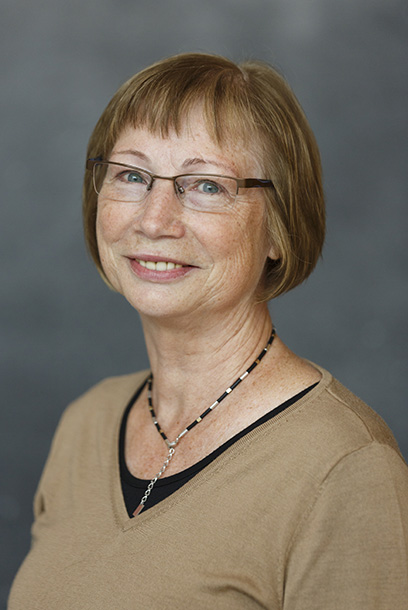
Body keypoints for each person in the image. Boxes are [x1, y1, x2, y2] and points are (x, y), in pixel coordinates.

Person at [9, 53, 408, 609]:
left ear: (279, 227)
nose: (153, 220)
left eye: (205, 186)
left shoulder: (344, 468)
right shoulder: (86, 424)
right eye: (131, 175)